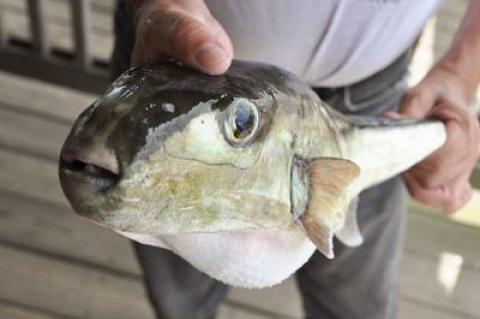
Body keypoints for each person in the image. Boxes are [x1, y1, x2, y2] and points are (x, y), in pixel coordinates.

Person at [111, 1, 480, 318]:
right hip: (178, 77)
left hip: (371, 89)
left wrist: (461, 71)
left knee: (356, 295)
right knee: (178, 287)